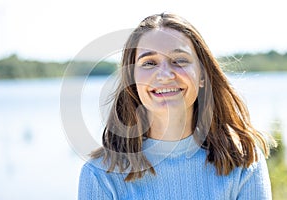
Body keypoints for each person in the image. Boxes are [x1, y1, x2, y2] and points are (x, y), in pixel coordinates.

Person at [78, 13, 275, 200]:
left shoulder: (243, 161)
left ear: (203, 76)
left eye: (180, 60)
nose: (165, 74)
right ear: (132, 79)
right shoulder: (100, 175)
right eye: (149, 63)